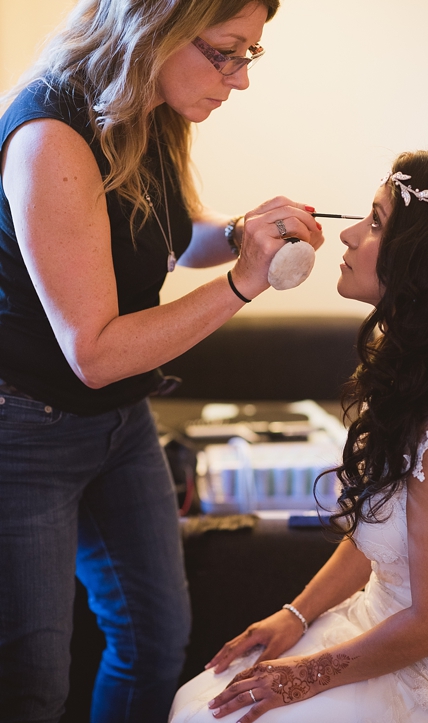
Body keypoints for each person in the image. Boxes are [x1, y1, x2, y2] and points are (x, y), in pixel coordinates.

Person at [0, 1, 325, 721]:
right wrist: (246, 280)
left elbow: (176, 239)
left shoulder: (150, 112)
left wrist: (245, 231)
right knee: (30, 680)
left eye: (251, 55)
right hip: (22, 428)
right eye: (227, 52)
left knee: (155, 640)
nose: (240, 80)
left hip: (118, 422)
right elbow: (95, 352)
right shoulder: (51, 135)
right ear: (158, 27)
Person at [168, 149, 428, 723]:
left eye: (377, 221)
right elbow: (376, 535)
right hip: (374, 621)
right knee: (201, 702)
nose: (349, 237)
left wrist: (307, 675)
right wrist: (296, 612)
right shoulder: (409, 378)